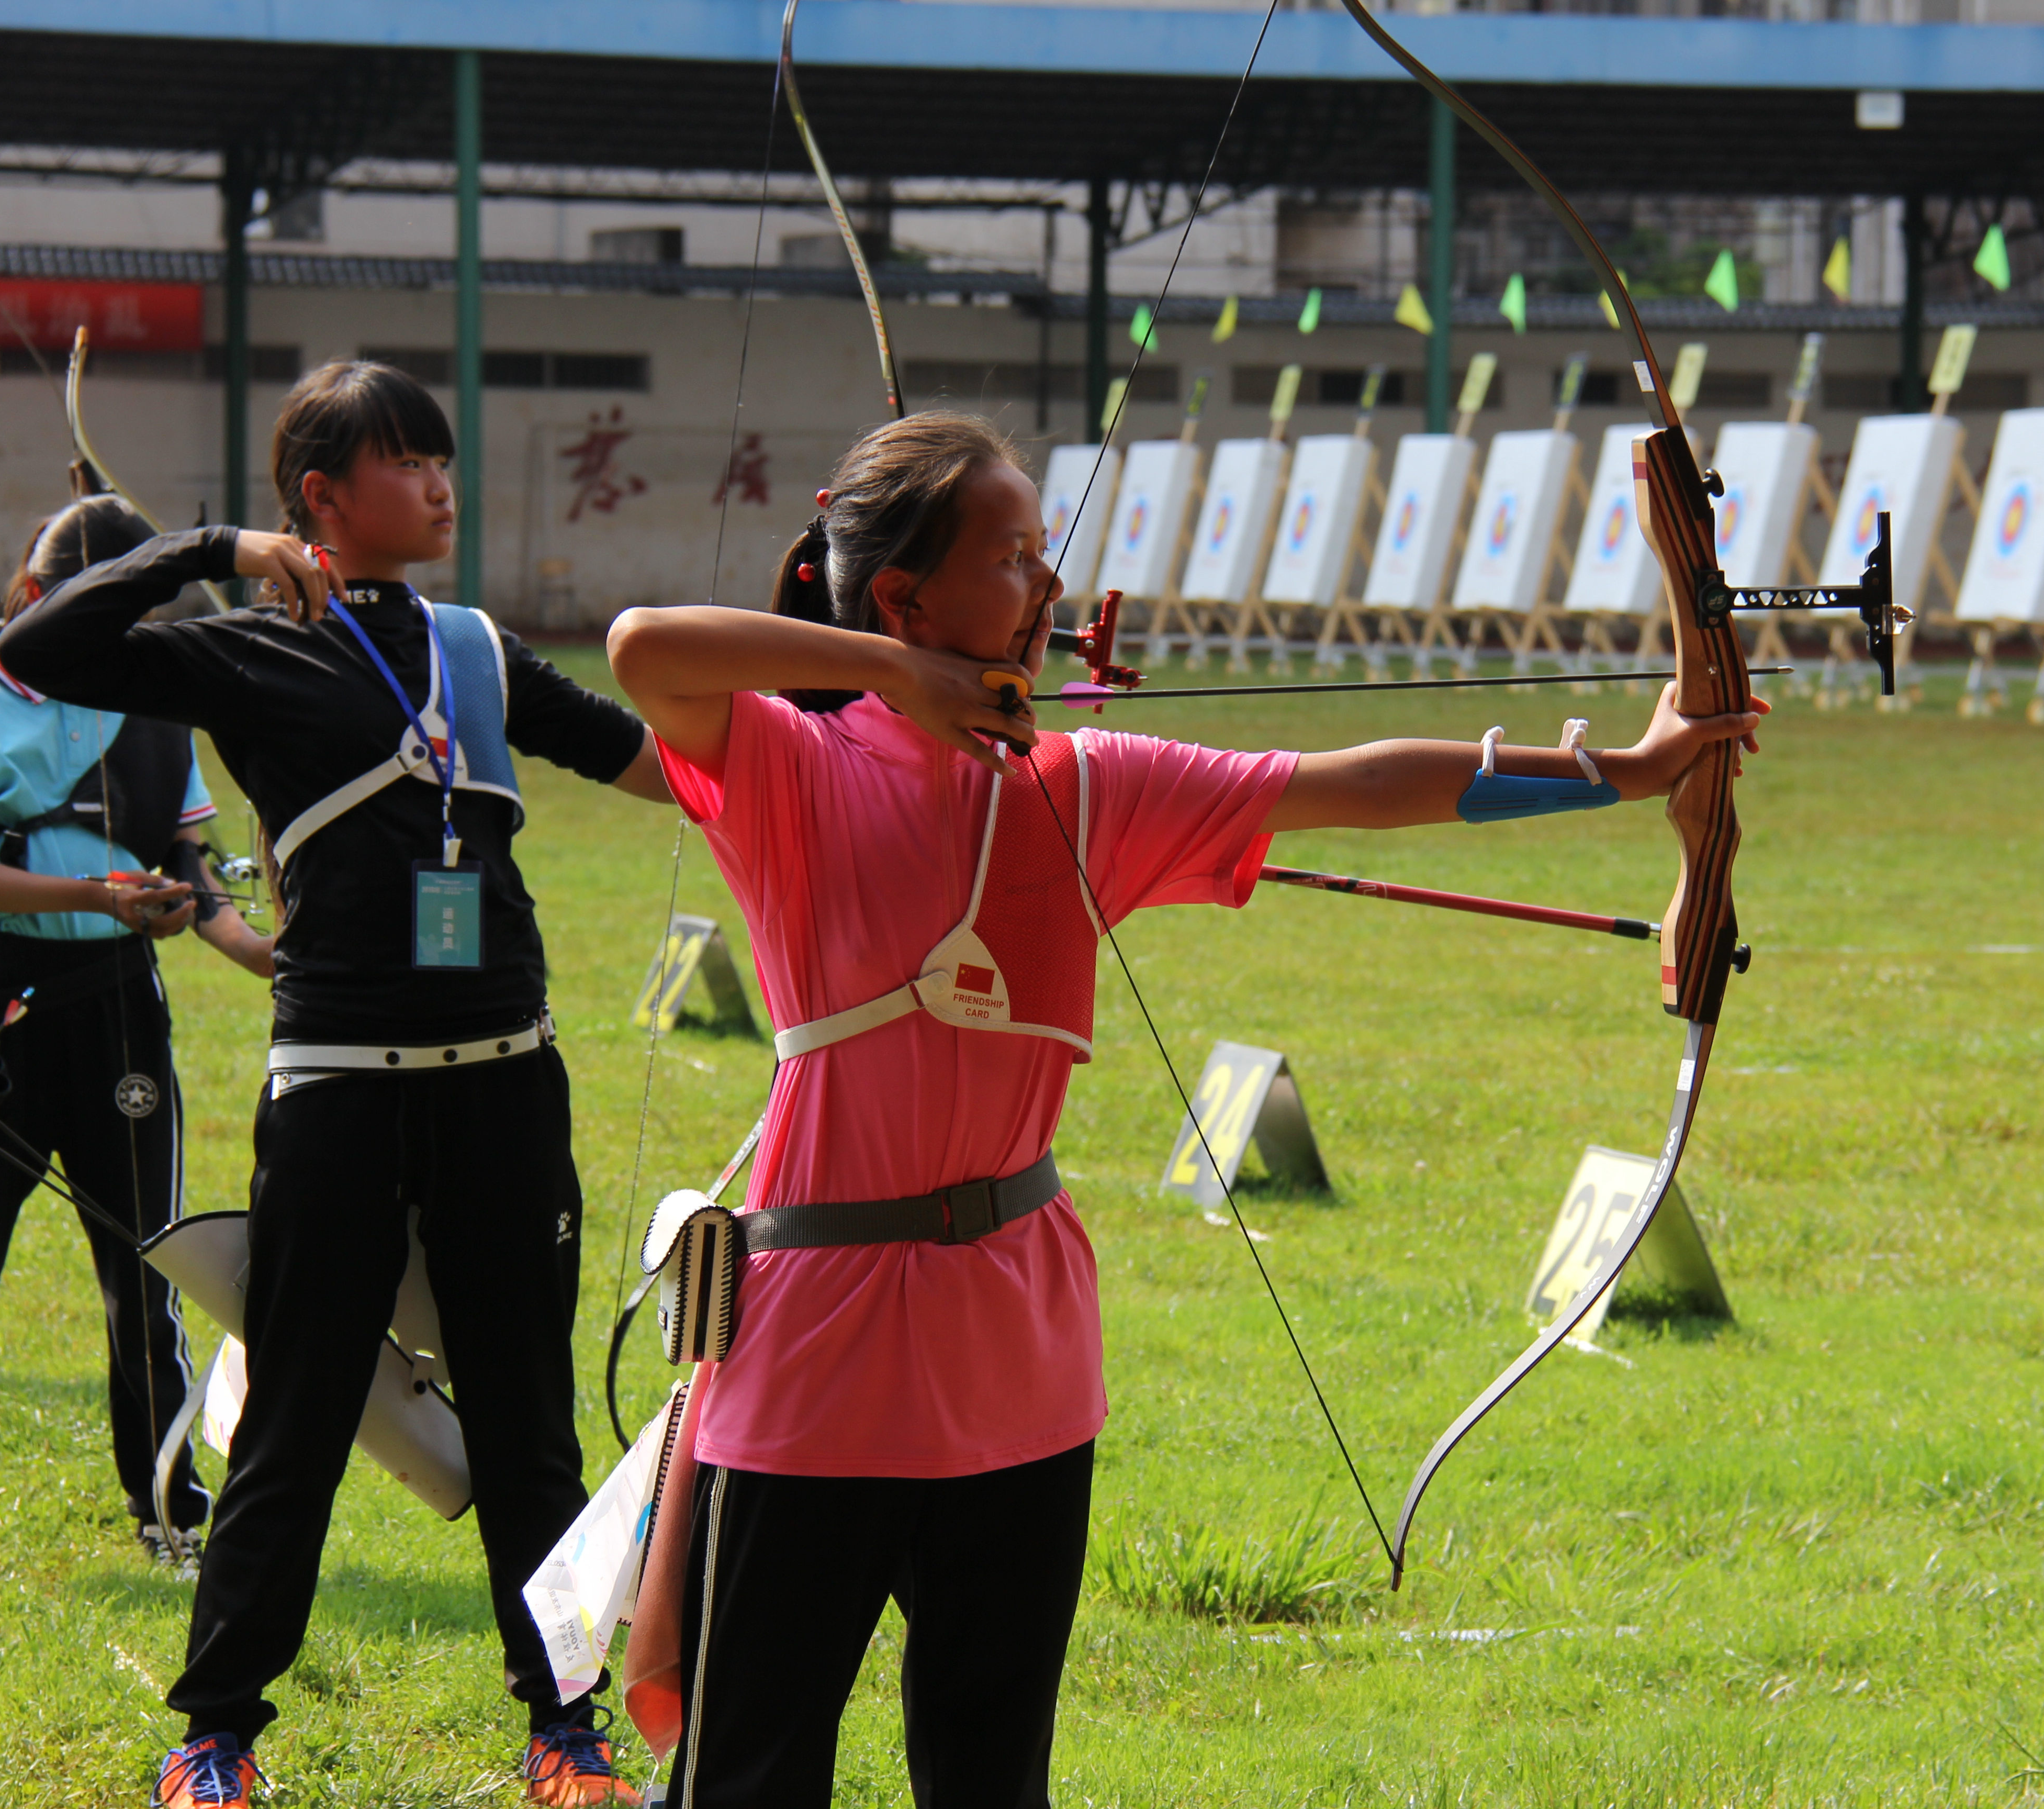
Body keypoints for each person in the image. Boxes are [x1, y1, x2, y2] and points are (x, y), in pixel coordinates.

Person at [601, 411, 1768, 1807]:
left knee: (990, 1776)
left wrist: (1631, 774)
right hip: (815, 1351)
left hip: (1014, 1351)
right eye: (1013, 559)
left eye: (1049, 555)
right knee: (752, 1773)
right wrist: (892, 676)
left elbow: (1362, 785)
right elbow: (642, 648)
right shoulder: (794, 768)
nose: (1047, 588)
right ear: (907, 599)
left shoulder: (1085, 784)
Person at [0, 360, 671, 1809]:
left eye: (444, 461)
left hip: (505, 1082)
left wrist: (847, 688)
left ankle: (565, 1727)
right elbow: (45, 648)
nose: (442, 485)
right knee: (296, 1420)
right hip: (343, 1089)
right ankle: (215, 1738)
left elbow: (666, 766)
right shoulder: (241, 646)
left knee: (528, 1420)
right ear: (319, 500)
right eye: (408, 463)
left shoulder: (481, 653)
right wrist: (207, 553)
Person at [0, 495, 275, 1614]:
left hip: (121, 1014)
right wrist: (95, 892)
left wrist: (267, 957)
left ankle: (167, 1513)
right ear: (31, 601)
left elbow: (195, 875)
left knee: (145, 1274)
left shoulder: (155, 714)